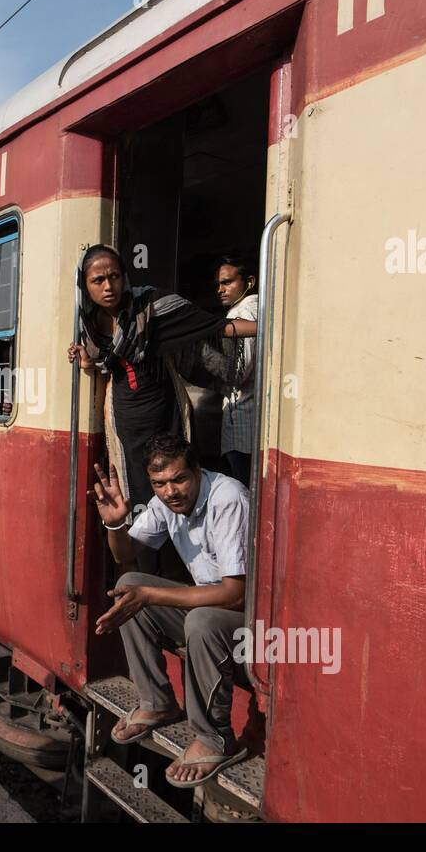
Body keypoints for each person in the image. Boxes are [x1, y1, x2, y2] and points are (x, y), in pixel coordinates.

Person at [92, 432, 251, 788]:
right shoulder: (166, 501)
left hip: (251, 621)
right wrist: (116, 523)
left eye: (179, 479)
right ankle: (157, 701)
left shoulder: (227, 498)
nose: (170, 491)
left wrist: (150, 596)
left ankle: (215, 739)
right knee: (130, 584)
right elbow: (125, 554)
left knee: (201, 618)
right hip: (213, 604)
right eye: (160, 483)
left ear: (197, 471)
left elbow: (234, 594)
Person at [67, 245, 254, 530]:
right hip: (125, 421)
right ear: (85, 285)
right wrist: (85, 362)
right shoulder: (89, 326)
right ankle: (143, 566)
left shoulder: (152, 306)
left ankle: (178, 562)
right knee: (136, 495)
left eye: (114, 276)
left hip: (166, 415)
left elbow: (213, 327)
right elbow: (104, 364)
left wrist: (266, 326)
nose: (108, 286)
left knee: (176, 488)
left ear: (124, 276)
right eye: (98, 280)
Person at [214, 257, 259, 485]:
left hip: (242, 426)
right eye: (219, 284)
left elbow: (238, 371)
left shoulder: (241, 314)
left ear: (249, 281)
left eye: (227, 282)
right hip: (248, 426)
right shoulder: (256, 308)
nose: (220, 290)